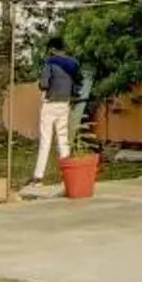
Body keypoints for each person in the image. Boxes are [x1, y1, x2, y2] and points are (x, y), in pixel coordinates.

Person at [30, 35, 82, 181]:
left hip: (50, 104)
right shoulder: (73, 64)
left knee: (46, 140)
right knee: (63, 138)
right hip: (65, 104)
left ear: (52, 49)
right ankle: (67, 174)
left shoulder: (50, 62)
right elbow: (77, 84)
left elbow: (44, 84)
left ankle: (38, 176)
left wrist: (41, 84)